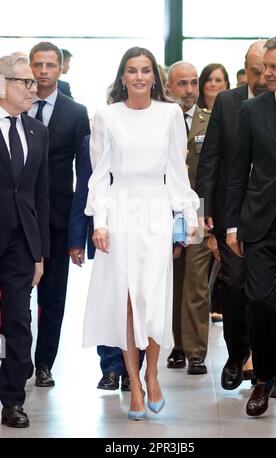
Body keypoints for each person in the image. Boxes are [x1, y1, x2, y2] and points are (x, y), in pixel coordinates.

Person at [83, 46, 199, 420]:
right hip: (119, 210)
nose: (138, 77)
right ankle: (134, 382)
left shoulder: (170, 115)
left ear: (154, 77)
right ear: (122, 77)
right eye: (131, 71)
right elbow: (99, 174)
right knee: (128, 300)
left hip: (155, 210)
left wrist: (188, 213)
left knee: (152, 298)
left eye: (145, 70)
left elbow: (177, 172)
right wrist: (99, 221)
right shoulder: (105, 116)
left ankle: (153, 373)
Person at [195, 40, 276, 395]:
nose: (262, 77)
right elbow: (210, 163)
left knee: (269, 296)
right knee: (233, 288)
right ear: (245, 69)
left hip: (269, 215)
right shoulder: (229, 103)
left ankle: (269, 372)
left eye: (268, 69)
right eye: (255, 70)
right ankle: (237, 354)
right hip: (231, 212)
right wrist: (207, 218)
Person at [226, 35, 276, 421]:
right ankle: (265, 378)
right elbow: (238, 170)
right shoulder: (252, 110)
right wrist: (232, 225)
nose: (265, 73)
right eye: (264, 66)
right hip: (261, 224)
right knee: (262, 303)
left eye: (273, 67)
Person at [28, 41, 90, 388]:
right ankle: (18, 359)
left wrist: (77, 230)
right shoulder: (15, 107)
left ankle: (44, 363)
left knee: (53, 298)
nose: (43, 71)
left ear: (61, 68)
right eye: (38, 64)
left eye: (51, 65)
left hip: (57, 217)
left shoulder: (76, 112)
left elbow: (86, 174)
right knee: (17, 293)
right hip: (18, 217)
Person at [68, 135, 144, 391]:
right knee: (110, 299)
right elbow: (84, 190)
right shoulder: (92, 141)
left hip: (142, 231)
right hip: (106, 235)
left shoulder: (147, 136)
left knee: (138, 301)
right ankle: (111, 368)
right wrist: (76, 239)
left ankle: (133, 373)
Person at [166, 61, 227, 374]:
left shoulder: (209, 120)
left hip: (199, 212)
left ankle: (196, 352)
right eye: (182, 84)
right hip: (165, 211)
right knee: (172, 283)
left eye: (192, 83)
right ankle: (176, 345)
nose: (188, 90)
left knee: (196, 284)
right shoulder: (160, 119)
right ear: (169, 86)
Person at [0, 55, 49, 427]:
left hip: (21, 243)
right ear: (2, 85)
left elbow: (40, 196)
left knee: (20, 320)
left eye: (34, 83)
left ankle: (13, 401)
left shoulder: (37, 131)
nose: (34, 88)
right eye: (25, 82)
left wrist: (40, 253)